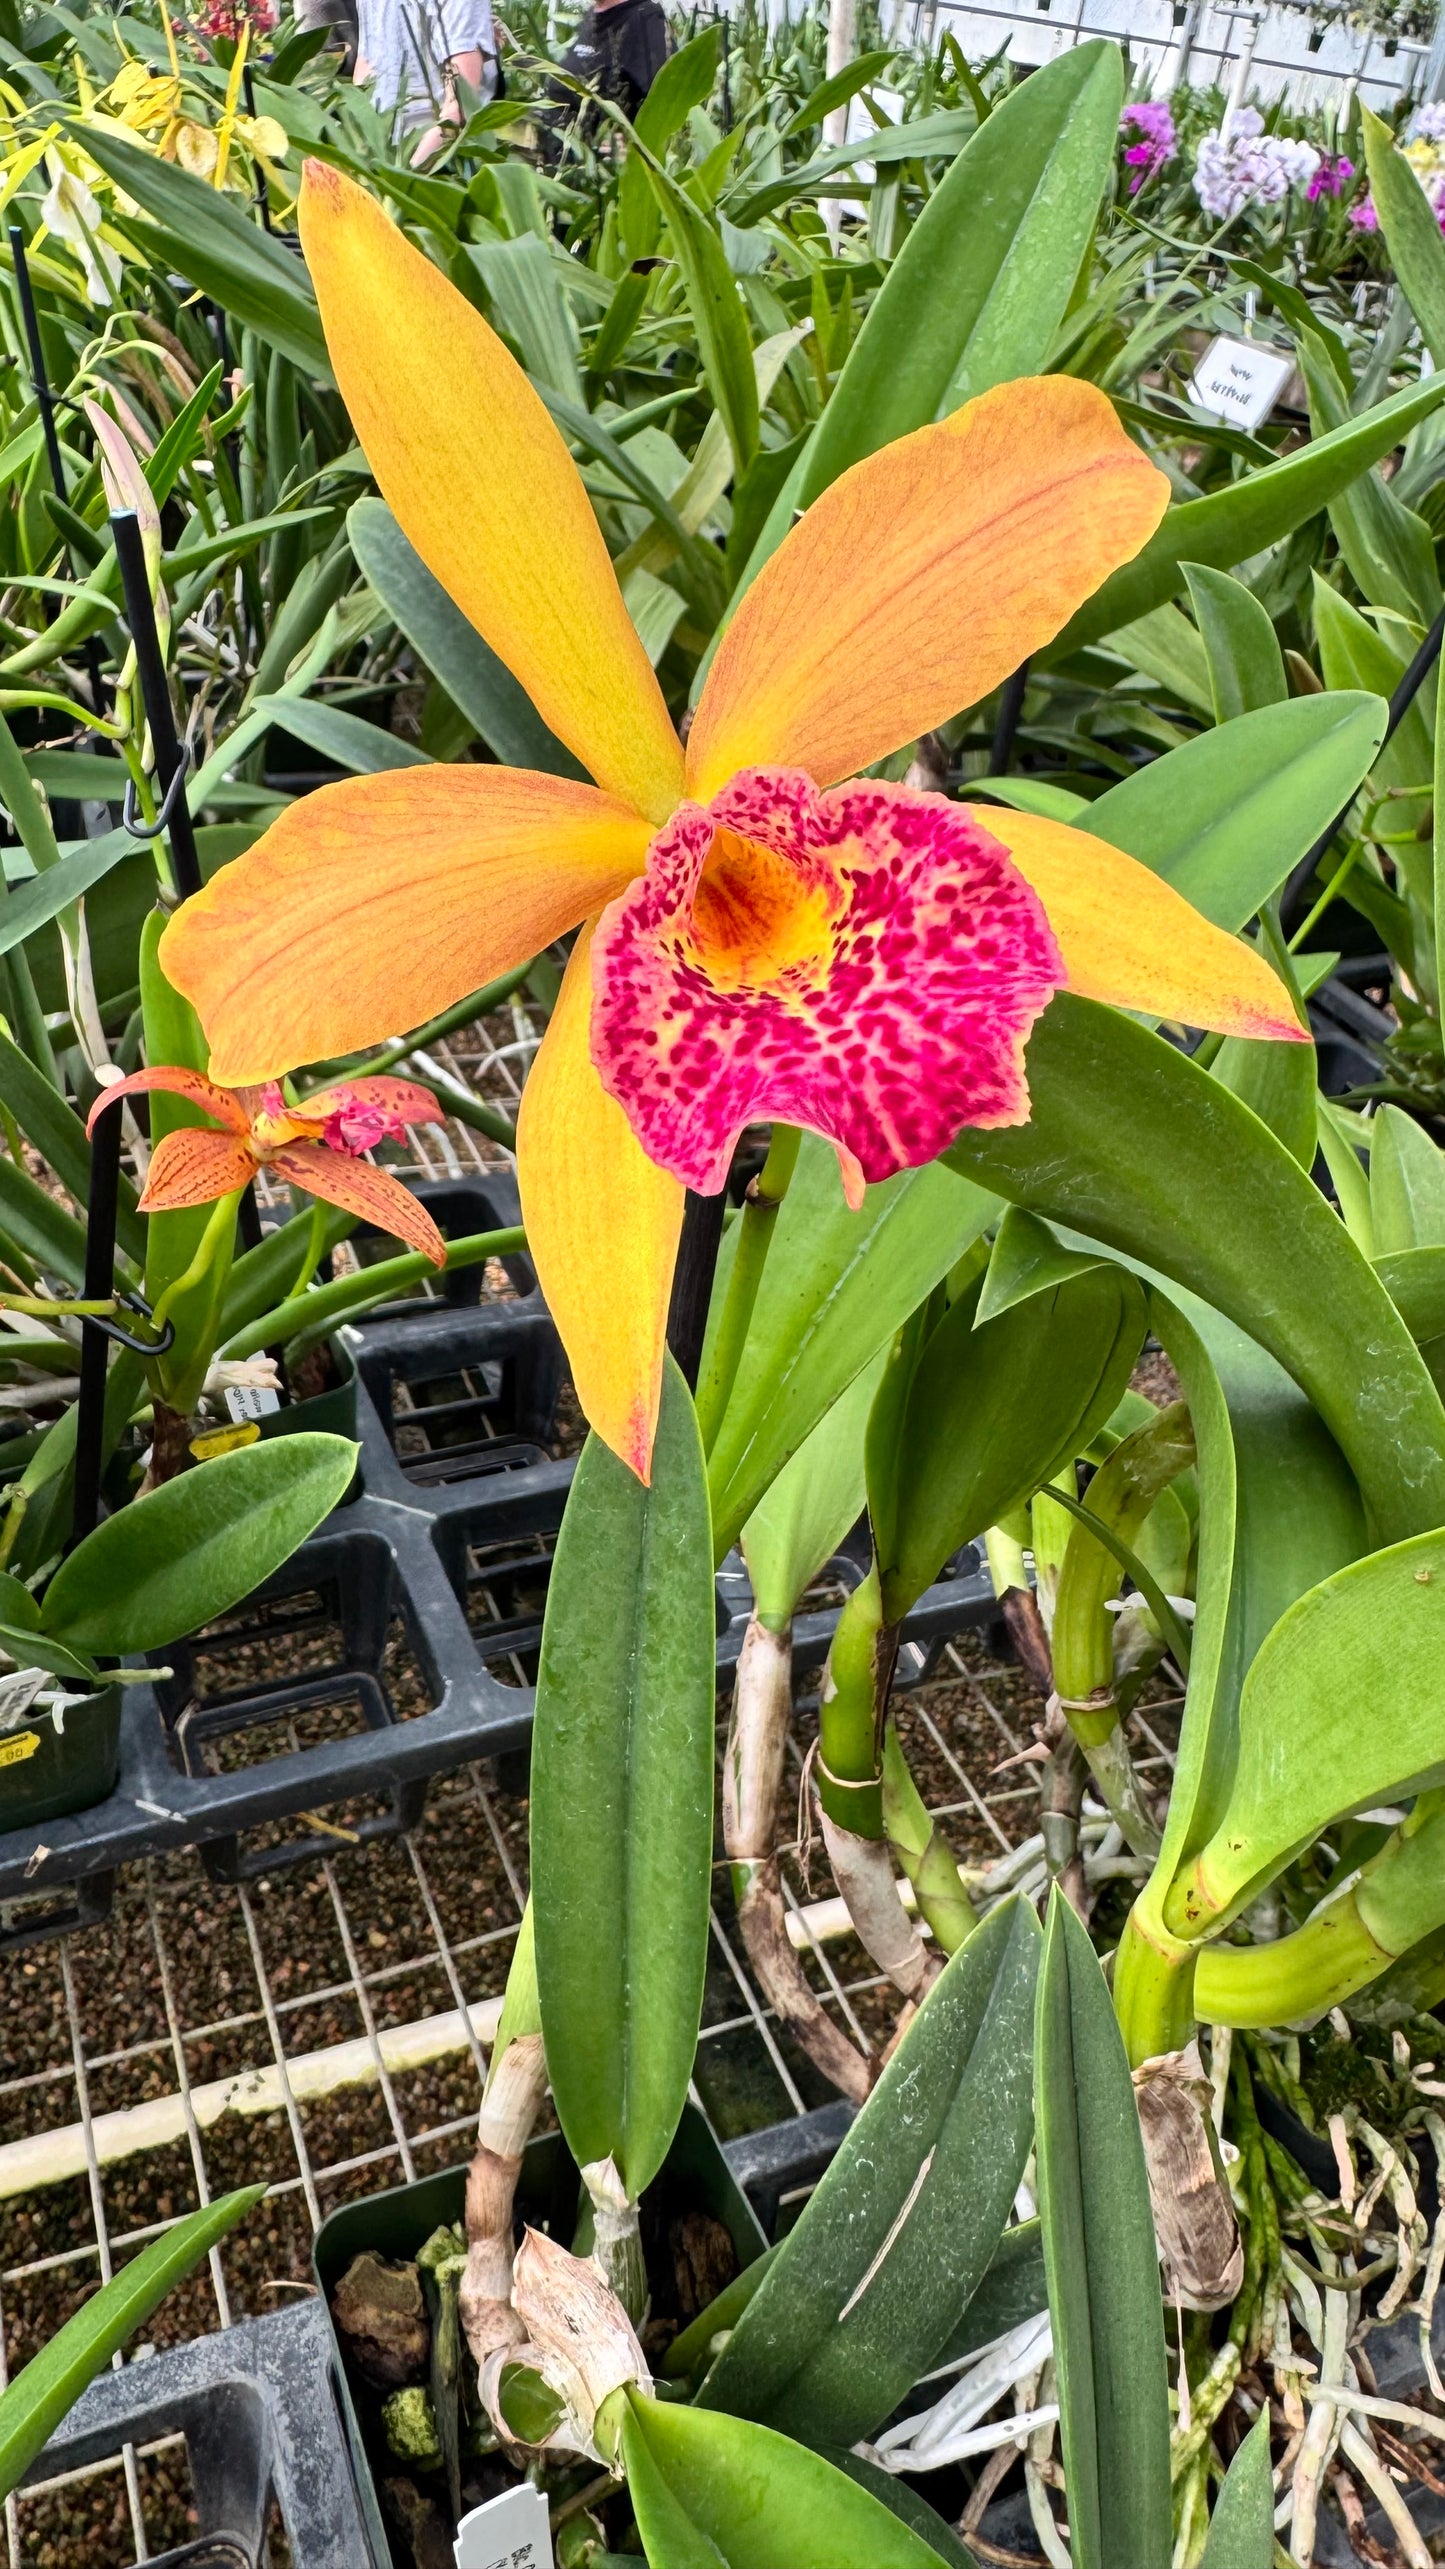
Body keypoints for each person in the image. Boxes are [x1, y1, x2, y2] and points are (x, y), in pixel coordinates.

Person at [354, 0, 500, 161]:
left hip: (439, 156)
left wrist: (414, 167)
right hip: (383, 153)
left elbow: (460, 103)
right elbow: (365, 65)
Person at [551, 0, 669, 133]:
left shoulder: (645, 19)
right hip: (560, 144)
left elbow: (662, 104)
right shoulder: (592, 18)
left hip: (599, 148)